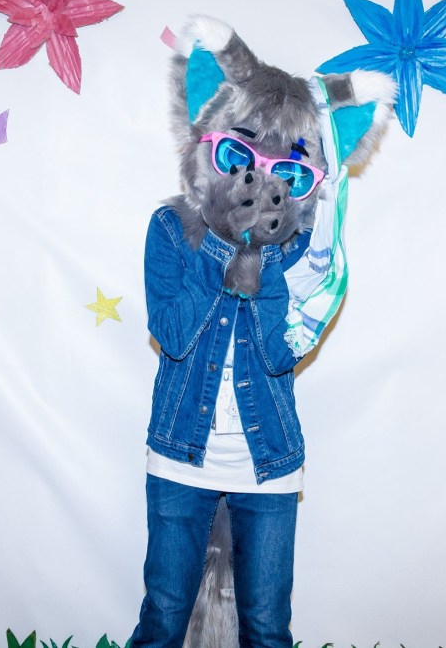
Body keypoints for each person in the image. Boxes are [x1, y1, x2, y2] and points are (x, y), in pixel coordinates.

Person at [127, 203, 312, 648]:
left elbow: (281, 353)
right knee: (164, 617)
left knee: (267, 627)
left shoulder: (301, 240)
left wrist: (264, 251)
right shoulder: (171, 227)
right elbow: (172, 336)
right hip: (180, 453)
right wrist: (220, 244)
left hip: (269, 457)